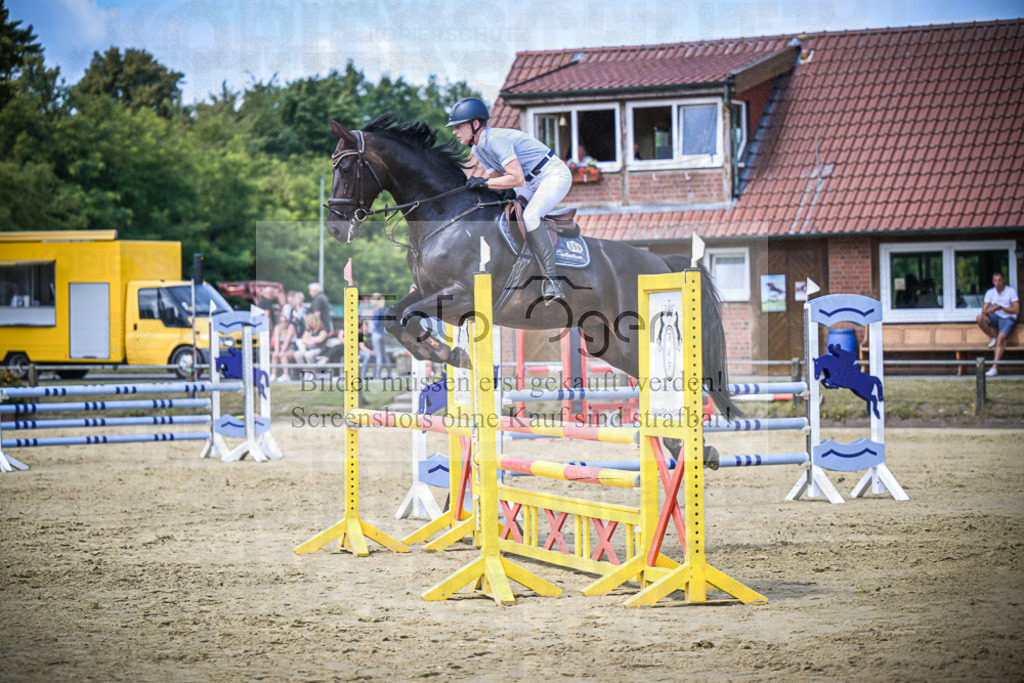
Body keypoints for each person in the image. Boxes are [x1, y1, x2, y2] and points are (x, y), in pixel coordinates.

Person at [446, 96, 571, 304]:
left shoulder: (495, 140)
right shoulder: (478, 149)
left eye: (458, 126)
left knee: (530, 216)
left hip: (552, 175)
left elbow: (516, 178)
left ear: (475, 124)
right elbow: (497, 180)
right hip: (530, 181)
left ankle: (552, 282)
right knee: (503, 214)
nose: (454, 131)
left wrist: (484, 183)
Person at [976, 272, 1019, 376]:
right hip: (995, 317)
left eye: (999, 280)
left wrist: (1000, 307)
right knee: (980, 318)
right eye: (995, 280)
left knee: (1000, 339)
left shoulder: (1011, 291)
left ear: (1003, 280)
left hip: (1008, 318)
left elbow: (1016, 310)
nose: (997, 283)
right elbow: (984, 311)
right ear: (993, 281)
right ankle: (992, 338)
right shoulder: (990, 292)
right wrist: (991, 310)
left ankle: (994, 368)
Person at [368, 292, 391, 379]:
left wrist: (372, 317)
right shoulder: (385, 309)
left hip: (376, 334)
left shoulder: (377, 310)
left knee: (379, 355)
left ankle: (377, 374)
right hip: (382, 334)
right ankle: (389, 373)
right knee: (384, 354)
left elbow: (376, 323)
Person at [269, 312, 296, 381]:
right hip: (282, 349)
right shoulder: (277, 328)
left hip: (292, 348)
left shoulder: (291, 327)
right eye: (281, 321)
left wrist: (282, 351)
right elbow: (276, 341)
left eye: (285, 321)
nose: (283, 323)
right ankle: (274, 374)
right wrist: (277, 351)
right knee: (275, 355)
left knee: (283, 355)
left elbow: (287, 341)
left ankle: (286, 375)